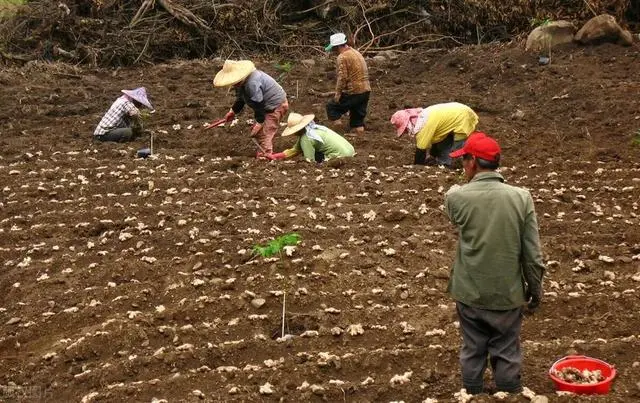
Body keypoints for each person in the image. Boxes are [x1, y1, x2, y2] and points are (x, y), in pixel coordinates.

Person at [444, 132, 545, 395]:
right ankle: (509, 393)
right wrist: (535, 291)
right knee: (507, 348)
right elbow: (532, 255)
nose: (462, 164)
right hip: (507, 294)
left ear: (473, 162)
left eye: (464, 159)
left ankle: (473, 394)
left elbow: (453, 197)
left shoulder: (457, 198)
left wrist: (462, 184)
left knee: (473, 348)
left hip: (469, 292)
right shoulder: (522, 198)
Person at [212, 60, 288, 158]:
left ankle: (265, 157)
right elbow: (241, 99)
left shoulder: (252, 83)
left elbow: (258, 104)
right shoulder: (240, 83)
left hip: (275, 105)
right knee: (259, 132)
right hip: (264, 106)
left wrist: (260, 123)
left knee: (265, 131)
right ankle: (262, 152)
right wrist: (232, 112)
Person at [390, 102, 479, 167]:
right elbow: (437, 139)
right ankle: (445, 162)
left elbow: (420, 151)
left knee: (457, 150)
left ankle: (463, 166)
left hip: (462, 117)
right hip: (458, 111)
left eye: (405, 129)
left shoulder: (423, 127)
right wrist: (433, 156)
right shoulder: (423, 116)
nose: (406, 132)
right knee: (443, 143)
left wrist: (417, 168)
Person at [325, 33, 371, 135]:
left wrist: (338, 94)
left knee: (332, 107)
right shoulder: (356, 52)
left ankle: (338, 132)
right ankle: (360, 136)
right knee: (357, 120)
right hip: (366, 91)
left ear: (337, 47)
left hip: (354, 91)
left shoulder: (342, 57)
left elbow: (342, 78)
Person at [268, 113, 355, 163]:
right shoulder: (314, 129)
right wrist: (274, 156)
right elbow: (294, 150)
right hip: (350, 150)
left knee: (315, 156)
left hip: (340, 156)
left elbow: (310, 160)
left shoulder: (306, 138)